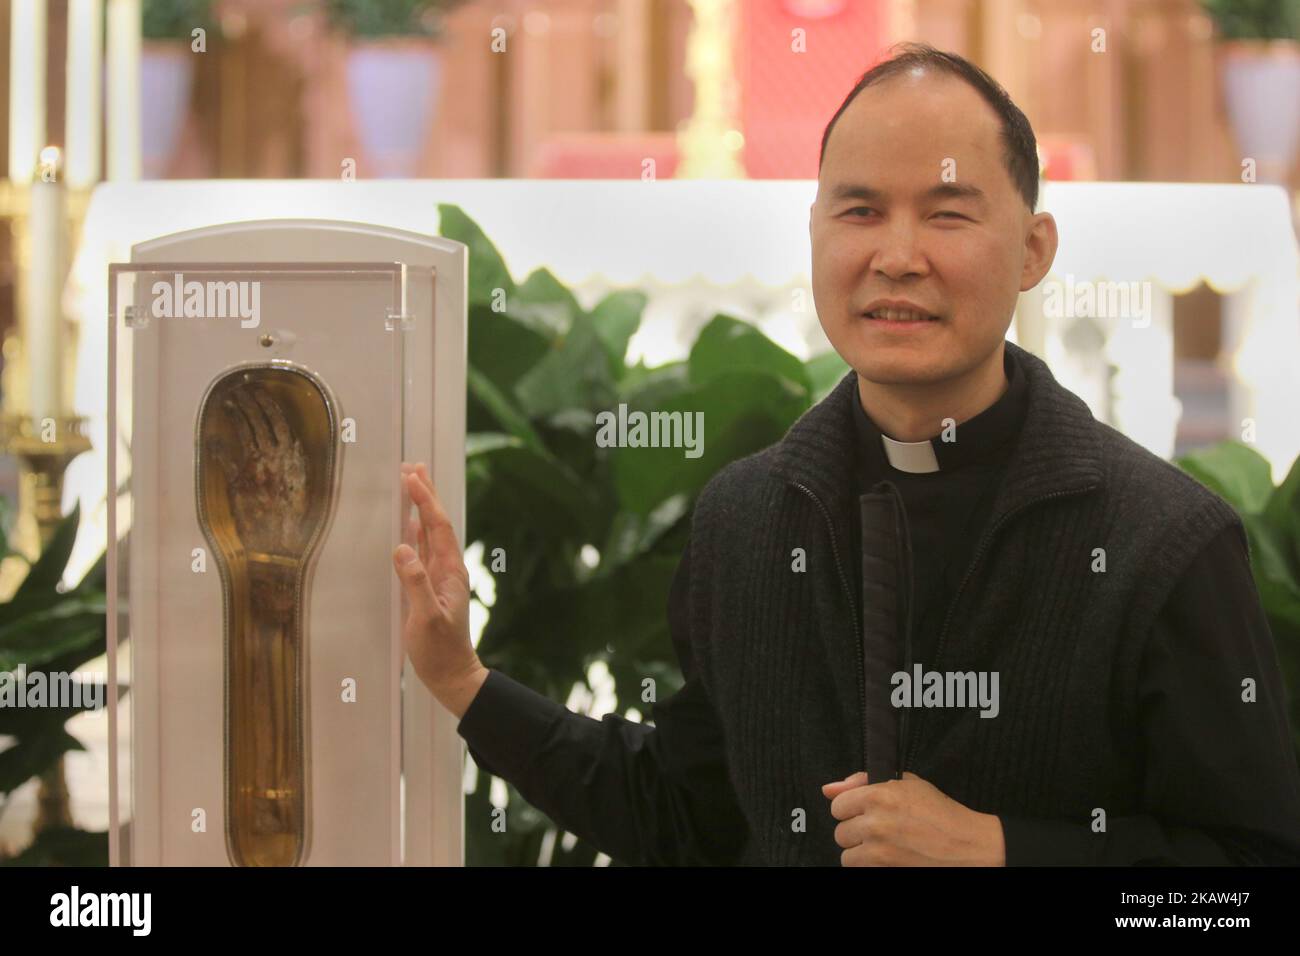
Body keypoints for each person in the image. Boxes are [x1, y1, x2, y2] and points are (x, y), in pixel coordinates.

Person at [392, 44, 1300, 866]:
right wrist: (463, 682)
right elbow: (686, 821)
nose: (897, 257)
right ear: (817, 233)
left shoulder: (1163, 541)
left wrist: (1002, 854)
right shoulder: (745, 522)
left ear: (1032, 251)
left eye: (947, 215)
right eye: (861, 210)